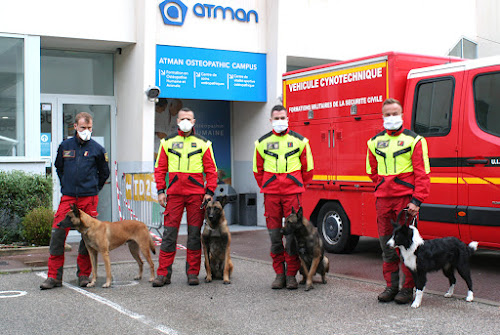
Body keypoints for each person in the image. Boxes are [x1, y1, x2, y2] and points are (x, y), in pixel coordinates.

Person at [366, 98, 431, 304]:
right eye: (388, 114)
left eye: (395, 113)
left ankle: (407, 289)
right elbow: (372, 171)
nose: (391, 117)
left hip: (405, 203)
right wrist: (383, 185)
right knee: (387, 246)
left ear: (402, 115)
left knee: (408, 248)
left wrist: (416, 201)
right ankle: (391, 287)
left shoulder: (415, 140)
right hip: (383, 201)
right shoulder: (373, 142)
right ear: (382, 116)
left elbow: (423, 174)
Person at [40, 112, 110, 290]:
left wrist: (94, 188)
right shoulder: (65, 146)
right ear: (75, 127)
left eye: (89, 128)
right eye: (83, 128)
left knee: (88, 238)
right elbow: (58, 167)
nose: (86, 131)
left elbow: (104, 173)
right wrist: (66, 185)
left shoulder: (97, 149)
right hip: (69, 198)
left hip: (89, 199)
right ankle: (54, 276)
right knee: (57, 234)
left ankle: (84, 275)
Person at [153, 107, 218, 287]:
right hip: (173, 196)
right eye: (183, 118)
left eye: (189, 119)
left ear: (194, 122)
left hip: (196, 197)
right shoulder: (167, 142)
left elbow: (211, 171)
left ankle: (192, 273)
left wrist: (209, 192)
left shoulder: (204, 143)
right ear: (177, 121)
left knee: (194, 236)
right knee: (168, 236)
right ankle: (163, 274)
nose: (185, 121)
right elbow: (160, 170)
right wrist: (160, 191)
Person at [253, 105, 314, 290]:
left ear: (288, 119)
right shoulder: (261, 143)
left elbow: (308, 169)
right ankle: (279, 274)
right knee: (274, 236)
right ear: (271, 121)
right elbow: (258, 170)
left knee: (293, 237)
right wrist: (269, 186)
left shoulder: (301, 141)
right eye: (276, 118)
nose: (280, 121)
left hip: (292, 195)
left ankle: (291, 275)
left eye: (282, 118)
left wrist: (295, 185)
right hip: (271, 195)